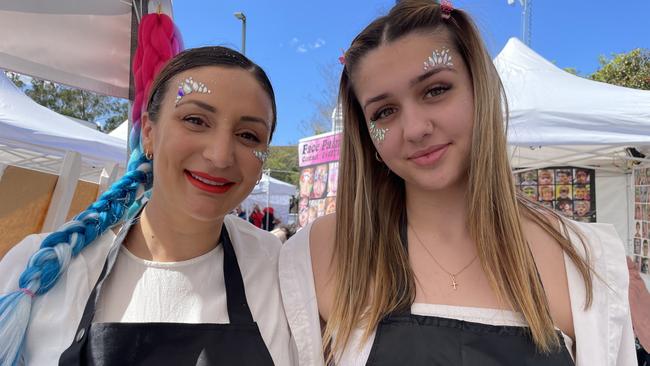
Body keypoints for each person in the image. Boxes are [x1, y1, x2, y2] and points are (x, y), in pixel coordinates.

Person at [278, 1, 635, 365]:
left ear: (479, 89)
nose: (416, 129)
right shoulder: (320, 251)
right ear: (366, 135)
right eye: (384, 112)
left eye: (436, 90)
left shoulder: (584, 260)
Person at [0, 46, 294, 365]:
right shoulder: (40, 273)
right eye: (195, 120)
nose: (220, 155)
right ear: (149, 134)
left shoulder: (284, 276)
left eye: (249, 135)